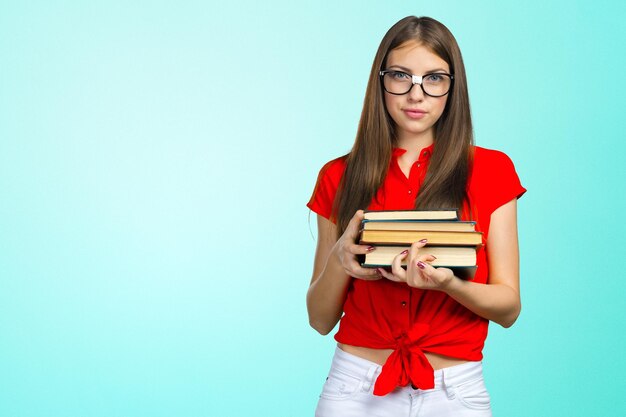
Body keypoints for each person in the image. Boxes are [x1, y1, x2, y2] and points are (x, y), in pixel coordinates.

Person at [305, 16, 526, 417]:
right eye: (401, 76)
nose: (416, 94)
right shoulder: (337, 176)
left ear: (452, 87)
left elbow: (509, 307)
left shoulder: (493, 170)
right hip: (355, 387)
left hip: (456, 390)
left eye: (434, 79)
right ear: (381, 81)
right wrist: (341, 258)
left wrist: (448, 285)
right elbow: (320, 319)